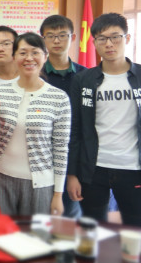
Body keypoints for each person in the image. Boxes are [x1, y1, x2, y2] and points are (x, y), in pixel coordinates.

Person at [67, 13, 141, 228]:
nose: (109, 44)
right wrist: (72, 174)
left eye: (115, 37)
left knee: (139, 233)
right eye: (102, 38)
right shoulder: (83, 80)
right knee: (92, 232)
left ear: (127, 38)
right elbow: (75, 130)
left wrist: (139, 137)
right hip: (92, 169)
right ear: (94, 42)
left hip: (135, 169)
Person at [0, 32, 71, 216]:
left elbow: (61, 148)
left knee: (35, 234)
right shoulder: (0, 92)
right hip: (1, 179)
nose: (29, 58)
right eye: (22, 53)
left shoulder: (59, 98)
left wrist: (58, 194)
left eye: (35, 52)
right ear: (14, 57)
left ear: (45, 56)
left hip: (40, 186)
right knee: (2, 232)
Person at [40, 14, 87, 218]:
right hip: (41, 155)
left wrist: (74, 172)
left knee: (70, 218)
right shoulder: (36, 75)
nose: (56, 41)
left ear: (73, 37)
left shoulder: (86, 76)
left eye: (62, 35)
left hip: (74, 155)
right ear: (43, 40)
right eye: (50, 36)